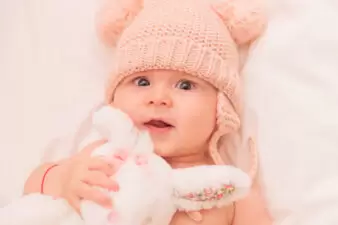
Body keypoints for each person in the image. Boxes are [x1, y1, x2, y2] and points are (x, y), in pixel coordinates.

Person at [23, 0, 272, 224]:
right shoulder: (103, 158)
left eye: (185, 85)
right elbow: (33, 186)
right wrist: (64, 178)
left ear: (221, 107)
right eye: (142, 82)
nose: (158, 98)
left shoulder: (232, 192)